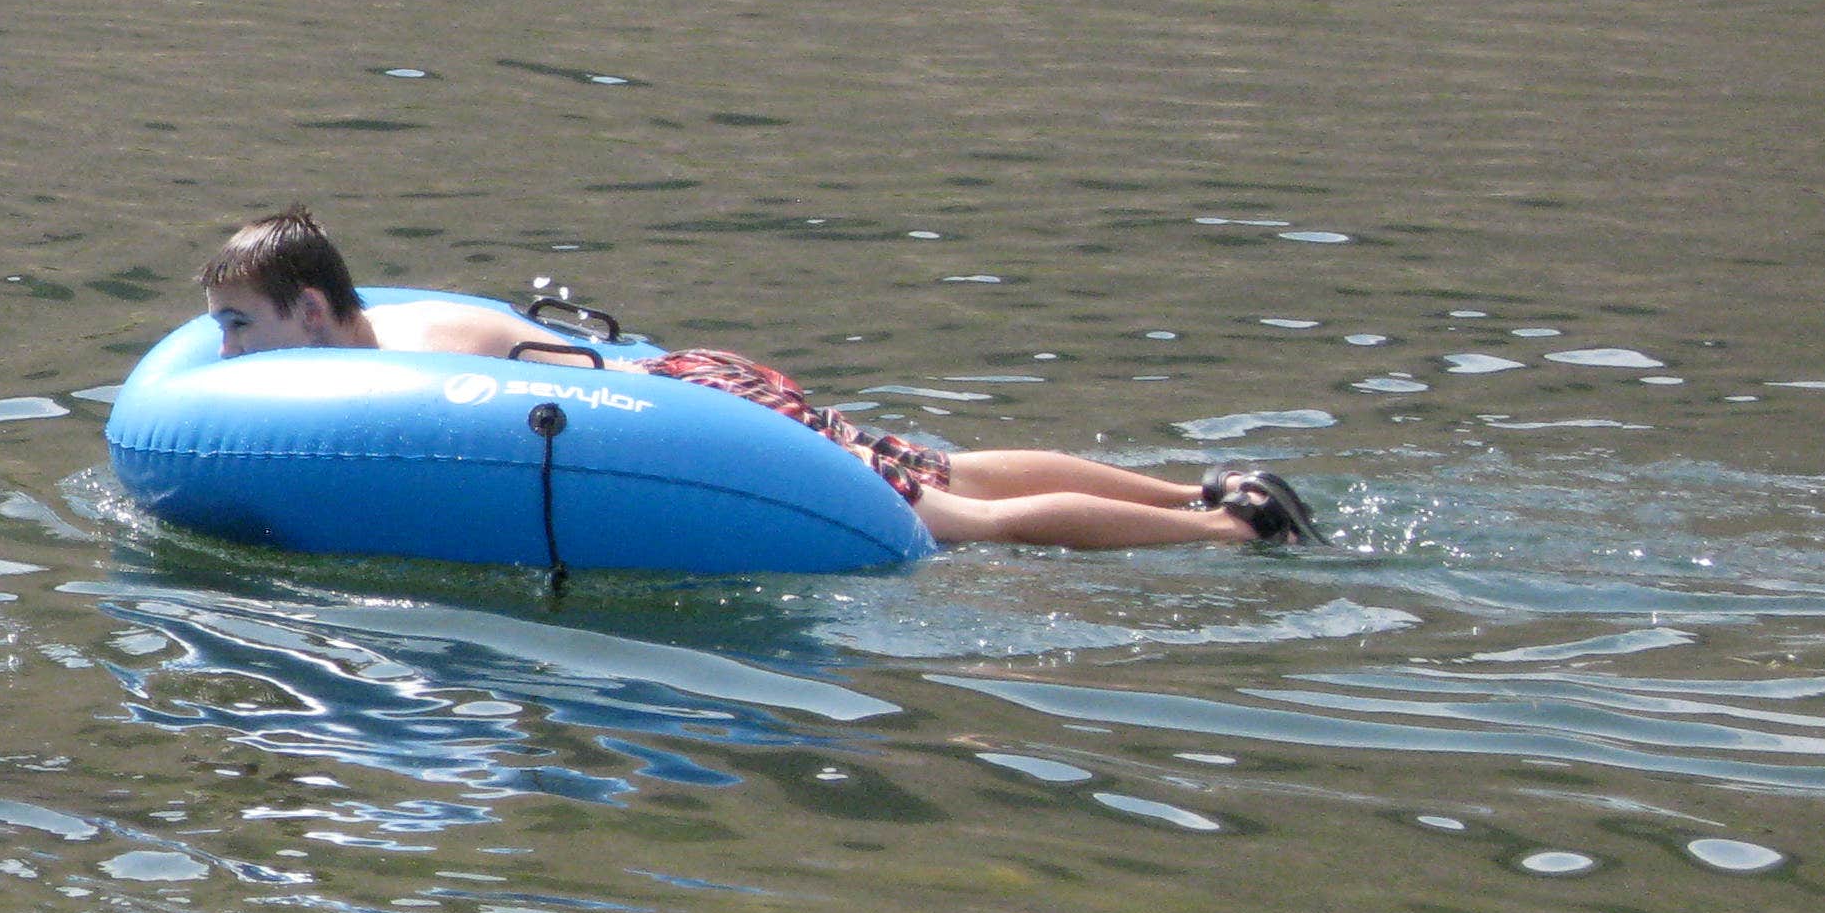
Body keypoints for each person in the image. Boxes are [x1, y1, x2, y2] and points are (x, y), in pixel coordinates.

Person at [196, 209, 1320, 550]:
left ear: (307, 308)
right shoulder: (393, 317)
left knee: (958, 519)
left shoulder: (407, 367)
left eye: (241, 327)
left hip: (696, 410)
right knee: (942, 463)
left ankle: (1228, 535)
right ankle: (1194, 487)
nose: (228, 356)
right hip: (700, 374)